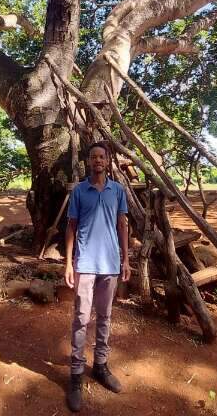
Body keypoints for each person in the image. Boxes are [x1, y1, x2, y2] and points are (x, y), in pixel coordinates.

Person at [64, 142, 131, 412]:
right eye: (94, 157)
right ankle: (76, 375)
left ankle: (101, 366)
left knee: (105, 317)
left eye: (102, 157)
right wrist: (68, 263)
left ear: (108, 160)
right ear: (88, 161)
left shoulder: (118, 190)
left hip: (110, 263)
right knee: (81, 318)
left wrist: (126, 260)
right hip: (85, 263)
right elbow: (71, 227)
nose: (98, 161)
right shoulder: (79, 191)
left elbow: (122, 225)